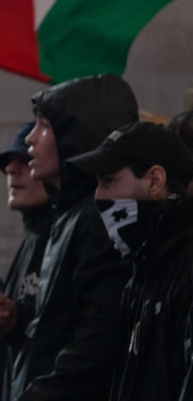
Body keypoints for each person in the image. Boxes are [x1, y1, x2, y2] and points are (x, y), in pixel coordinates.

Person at [10, 73, 136, 400]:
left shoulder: (96, 219)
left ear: (75, 136)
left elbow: (97, 336)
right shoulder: (68, 215)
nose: (30, 139)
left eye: (45, 126)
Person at [66, 121, 193, 399]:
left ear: (154, 181)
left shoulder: (184, 265)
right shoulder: (143, 272)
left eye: (108, 180)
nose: (98, 196)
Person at [0, 121, 54, 401]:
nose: (11, 169)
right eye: (10, 162)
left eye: (25, 160)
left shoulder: (63, 237)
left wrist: (17, 319)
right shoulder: (32, 238)